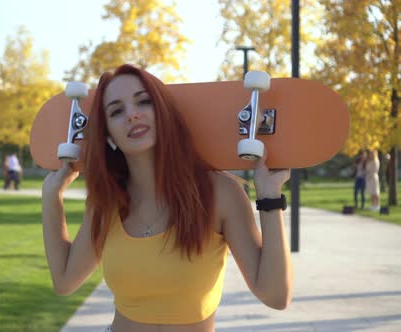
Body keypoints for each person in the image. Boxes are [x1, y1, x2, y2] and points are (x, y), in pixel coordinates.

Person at [42, 64, 293, 332]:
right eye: (117, 111)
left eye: (144, 102)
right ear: (108, 134)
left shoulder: (220, 193)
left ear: (163, 113)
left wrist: (269, 197)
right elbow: (65, 280)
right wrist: (51, 196)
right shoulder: (107, 202)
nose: (132, 115)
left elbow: (275, 296)